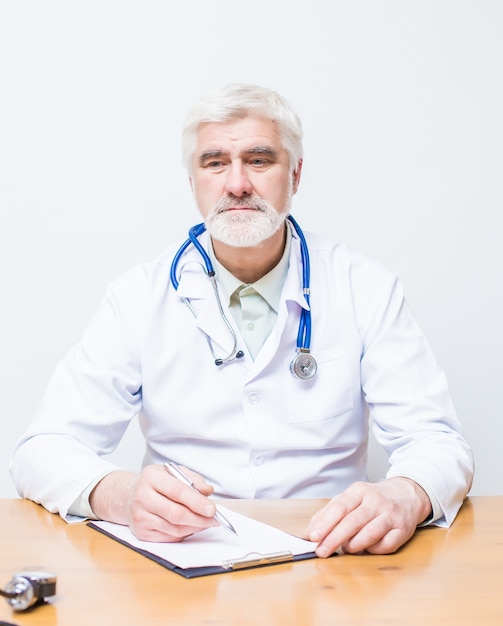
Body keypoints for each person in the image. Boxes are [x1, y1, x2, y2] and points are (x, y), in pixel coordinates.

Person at [10, 83, 474, 557]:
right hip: (187, 560)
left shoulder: (365, 287)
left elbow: (438, 442)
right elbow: (41, 451)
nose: (236, 184)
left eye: (258, 160)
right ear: (192, 180)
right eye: (214, 163)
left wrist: (405, 493)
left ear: (295, 174)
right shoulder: (137, 297)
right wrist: (121, 494)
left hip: (332, 553)